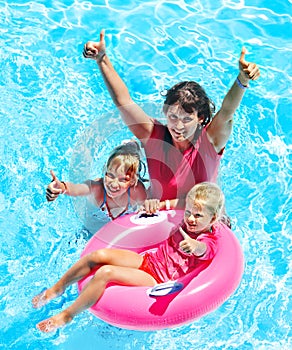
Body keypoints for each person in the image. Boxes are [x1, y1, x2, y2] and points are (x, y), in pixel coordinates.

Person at [83, 30, 260, 209]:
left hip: (197, 216)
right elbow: (124, 102)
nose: (178, 126)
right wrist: (102, 59)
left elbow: (227, 112)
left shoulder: (210, 141)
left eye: (186, 119)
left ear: (201, 118)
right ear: (165, 113)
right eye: (173, 117)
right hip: (157, 212)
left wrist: (242, 80)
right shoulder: (153, 136)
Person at [33, 182, 225, 332]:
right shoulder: (186, 219)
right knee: (98, 255)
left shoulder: (209, 239)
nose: (191, 219)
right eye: (190, 212)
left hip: (158, 278)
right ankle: (56, 288)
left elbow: (205, 250)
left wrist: (194, 246)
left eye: (198, 216)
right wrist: (157, 205)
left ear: (213, 218)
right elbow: (177, 204)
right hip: (149, 260)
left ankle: (68, 314)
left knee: (106, 272)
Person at [46, 141, 147, 221]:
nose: (114, 184)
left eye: (123, 179)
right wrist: (62, 187)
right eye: (110, 175)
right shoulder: (97, 188)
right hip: (94, 222)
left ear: (133, 181)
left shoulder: (137, 191)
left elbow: (146, 210)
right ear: (105, 171)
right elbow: (77, 188)